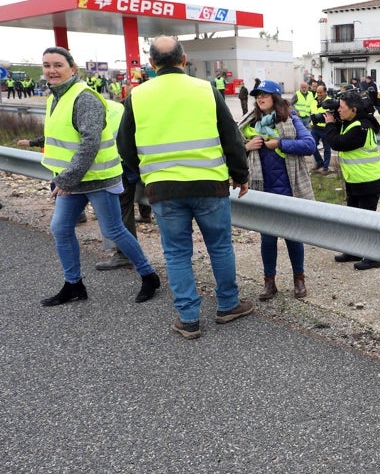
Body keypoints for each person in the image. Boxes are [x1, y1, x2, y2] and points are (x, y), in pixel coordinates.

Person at [117, 36, 253, 339]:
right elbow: (231, 136)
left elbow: (124, 145)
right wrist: (240, 175)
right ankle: (228, 305)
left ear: (151, 64)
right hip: (210, 185)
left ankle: (189, 319)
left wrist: (146, 174)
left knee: (177, 253)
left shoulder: (137, 96)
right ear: (184, 59)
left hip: (163, 189)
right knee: (220, 246)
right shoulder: (206, 89)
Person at [38, 46, 160, 307]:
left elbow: (90, 143)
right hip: (72, 180)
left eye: (58, 65)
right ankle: (73, 285)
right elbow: (61, 137)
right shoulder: (54, 97)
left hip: (98, 179)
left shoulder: (84, 98)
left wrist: (66, 179)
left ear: (73, 69)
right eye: (47, 65)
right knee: (60, 228)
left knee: (114, 230)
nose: (51, 70)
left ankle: (149, 275)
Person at [242, 79, 316, 301]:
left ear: (275, 97)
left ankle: (299, 280)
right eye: (257, 96)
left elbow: (309, 145)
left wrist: (281, 143)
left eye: (264, 94)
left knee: (293, 238)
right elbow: (229, 149)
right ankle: (269, 283)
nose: (260, 98)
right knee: (267, 240)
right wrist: (246, 147)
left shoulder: (291, 119)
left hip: (290, 189)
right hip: (263, 190)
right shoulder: (250, 122)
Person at [324, 89, 380, 271]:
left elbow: (337, 142)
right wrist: (334, 118)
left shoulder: (361, 128)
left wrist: (329, 124)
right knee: (354, 218)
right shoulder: (354, 121)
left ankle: (373, 257)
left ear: (354, 109)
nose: (339, 111)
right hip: (355, 180)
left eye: (342, 108)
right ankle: (355, 251)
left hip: (368, 181)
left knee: (367, 222)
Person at [310, 84, 332, 174]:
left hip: (325, 128)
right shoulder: (314, 101)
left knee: (327, 148)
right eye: (317, 92)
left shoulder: (330, 101)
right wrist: (310, 122)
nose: (318, 94)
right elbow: (312, 112)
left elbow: (331, 114)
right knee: (311, 146)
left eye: (320, 92)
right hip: (315, 128)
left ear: (325, 92)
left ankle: (325, 167)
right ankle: (320, 162)